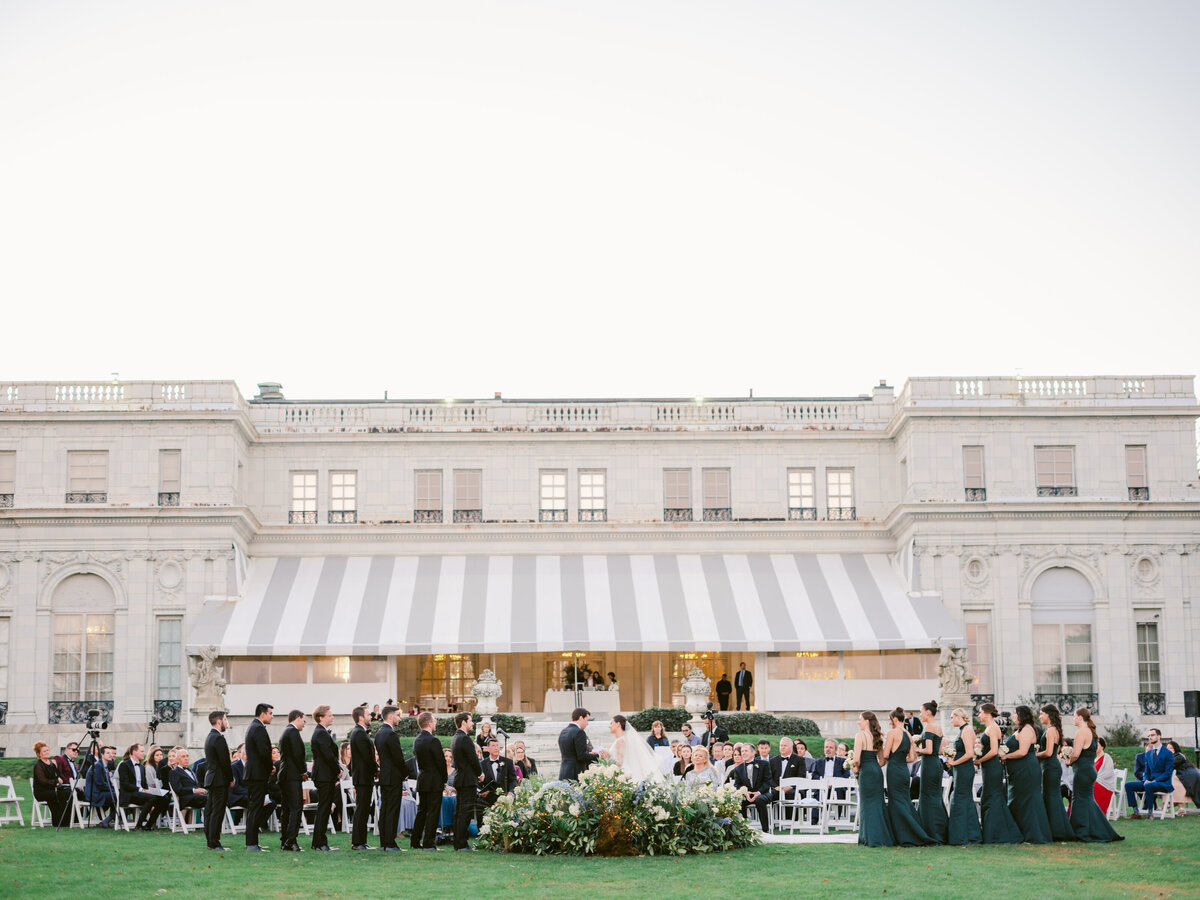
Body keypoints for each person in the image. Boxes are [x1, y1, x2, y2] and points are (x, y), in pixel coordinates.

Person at [1066, 708, 1124, 842]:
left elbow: (1076, 754)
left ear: (1080, 717)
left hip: (1083, 771)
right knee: (1087, 800)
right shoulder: (1091, 732)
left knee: (1079, 800)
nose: (1073, 719)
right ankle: (1097, 829)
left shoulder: (1081, 732)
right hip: (1089, 770)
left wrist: (1069, 761)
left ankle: (1081, 831)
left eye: (1074, 716)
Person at [880, 707, 933, 846]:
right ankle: (911, 830)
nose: (889, 722)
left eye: (890, 720)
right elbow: (911, 758)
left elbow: (885, 755)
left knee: (895, 801)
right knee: (904, 801)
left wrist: (886, 750)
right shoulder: (908, 734)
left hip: (894, 770)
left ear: (895, 719)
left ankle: (903, 834)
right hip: (903, 771)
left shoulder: (892, 733)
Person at [973, 703, 1022, 844]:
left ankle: (998, 833)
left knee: (993, 796)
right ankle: (992, 831)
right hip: (988, 767)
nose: (979, 715)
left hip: (992, 767)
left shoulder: (993, 727)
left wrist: (980, 760)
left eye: (980, 712)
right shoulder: (989, 727)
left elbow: (994, 751)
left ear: (987, 713)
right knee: (989, 796)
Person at [1002, 705, 1052, 844]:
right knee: (1018, 800)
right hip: (1018, 771)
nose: (1013, 716)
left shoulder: (1028, 729)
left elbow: (1023, 751)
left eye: (1015, 714)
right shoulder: (1021, 729)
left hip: (1026, 769)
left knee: (1028, 800)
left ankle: (1034, 834)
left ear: (1022, 715)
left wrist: (1006, 757)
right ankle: (1019, 832)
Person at [853, 711, 893, 847]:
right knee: (877, 803)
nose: (858, 722)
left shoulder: (860, 736)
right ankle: (881, 836)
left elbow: (857, 759)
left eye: (860, 719)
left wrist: (855, 768)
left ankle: (868, 838)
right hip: (876, 771)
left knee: (867, 804)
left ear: (867, 721)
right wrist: (873, 766)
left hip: (866, 771)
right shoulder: (877, 737)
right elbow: (882, 761)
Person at [1036, 705, 1076, 841]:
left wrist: (1034, 754)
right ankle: (1054, 828)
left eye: (1042, 714)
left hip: (1050, 766)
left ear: (1048, 715)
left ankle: (1058, 831)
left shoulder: (1052, 730)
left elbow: (1048, 752)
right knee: (1050, 796)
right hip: (1050, 765)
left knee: (1052, 797)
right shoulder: (1054, 729)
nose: (1040, 716)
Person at [375, 704, 409, 852]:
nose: (399, 719)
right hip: (393, 776)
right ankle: (390, 843)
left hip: (385, 776)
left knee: (385, 810)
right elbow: (398, 758)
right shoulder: (391, 734)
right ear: (390, 716)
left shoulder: (379, 733)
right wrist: (405, 773)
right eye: (398, 715)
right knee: (392, 811)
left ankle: (384, 842)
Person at [914, 700, 949, 844]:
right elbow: (939, 750)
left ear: (928, 712)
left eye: (921, 711)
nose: (920, 714)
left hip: (929, 764)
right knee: (935, 797)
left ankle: (931, 831)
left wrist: (917, 749)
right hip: (936, 764)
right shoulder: (938, 727)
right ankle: (940, 831)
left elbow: (928, 750)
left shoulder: (928, 728)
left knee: (928, 797)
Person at [945, 708, 981, 845]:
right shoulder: (963, 730)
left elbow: (969, 754)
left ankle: (964, 835)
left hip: (964, 769)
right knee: (963, 799)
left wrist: (954, 762)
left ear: (958, 717)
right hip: (960, 769)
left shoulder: (967, 730)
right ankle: (967, 834)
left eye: (952, 717)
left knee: (961, 798)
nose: (951, 720)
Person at [410, 711, 446, 850]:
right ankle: (428, 842)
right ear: (430, 723)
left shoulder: (417, 740)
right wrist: (444, 779)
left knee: (422, 811)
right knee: (433, 812)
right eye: (434, 720)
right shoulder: (433, 740)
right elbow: (440, 762)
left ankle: (415, 841)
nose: (436, 722)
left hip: (423, 779)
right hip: (434, 780)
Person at [1124, 727, 1175, 819]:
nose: (1150, 737)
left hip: (1163, 783)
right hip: (1150, 782)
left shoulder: (1168, 753)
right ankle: (1136, 813)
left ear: (1159, 736)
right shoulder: (1148, 754)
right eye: (1149, 736)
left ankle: (1150, 814)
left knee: (1148, 786)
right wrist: (1146, 779)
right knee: (1128, 785)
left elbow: (1168, 772)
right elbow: (1146, 771)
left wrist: (1154, 781)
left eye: (1152, 735)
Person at [118, 743, 170, 831]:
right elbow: (125, 784)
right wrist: (142, 790)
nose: (144, 753)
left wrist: (150, 790)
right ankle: (138, 825)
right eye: (141, 751)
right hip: (129, 795)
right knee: (151, 798)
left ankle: (148, 825)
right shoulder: (124, 765)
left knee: (164, 798)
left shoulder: (142, 767)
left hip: (141, 794)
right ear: (134, 752)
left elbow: (145, 784)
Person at [244, 703, 274, 851]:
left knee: (255, 807)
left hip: (255, 773)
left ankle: (253, 842)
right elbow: (264, 753)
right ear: (262, 714)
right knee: (255, 808)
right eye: (270, 713)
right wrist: (270, 768)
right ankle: (251, 843)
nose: (272, 716)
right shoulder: (258, 728)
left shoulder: (254, 727)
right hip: (257, 774)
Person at [309, 704, 339, 852]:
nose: (332, 717)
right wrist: (337, 769)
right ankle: (320, 843)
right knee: (323, 808)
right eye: (329, 715)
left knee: (324, 808)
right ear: (321, 718)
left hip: (325, 774)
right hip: (324, 775)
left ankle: (319, 842)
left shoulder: (322, 732)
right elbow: (328, 755)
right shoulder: (321, 733)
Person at [277, 709, 307, 852]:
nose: (304, 723)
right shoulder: (293, 732)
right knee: (296, 808)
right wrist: (303, 771)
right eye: (304, 720)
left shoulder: (286, 732)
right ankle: (291, 840)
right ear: (297, 718)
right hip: (292, 775)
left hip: (285, 774)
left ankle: (285, 840)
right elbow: (298, 755)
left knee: (287, 809)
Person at [451, 711, 481, 850]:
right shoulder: (465, 739)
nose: (472, 723)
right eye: (470, 720)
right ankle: (461, 843)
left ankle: (458, 842)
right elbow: (473, 759)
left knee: (460, 812)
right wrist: (480, 773)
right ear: (464, 722)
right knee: (465, 812)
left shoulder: (456, 738)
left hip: (461, 779)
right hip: (467, 780)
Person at [349, 705, 378, 850]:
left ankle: (362, 841)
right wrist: (376, 769)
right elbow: (367, 757)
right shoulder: (359, 733)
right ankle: (358, 842)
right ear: (361, 717)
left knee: (364, 809)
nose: (371, 716)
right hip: (363, 777)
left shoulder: (360, 733)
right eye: (368, 714)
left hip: (364, 777)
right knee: (362, 810)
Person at [202, 711, 232, 850]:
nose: (226, 722)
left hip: (212, 778)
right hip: (219, 779)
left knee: (212, 810)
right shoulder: (218, 738)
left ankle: (210, 840)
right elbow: (225, 762)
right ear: (219, 721)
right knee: (217, 811)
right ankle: (214, 842)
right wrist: (231, 778)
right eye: (225, 719)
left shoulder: (209, 737)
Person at [730, 742, 774, 832]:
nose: (743, 753)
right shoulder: (738, 768)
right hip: (747, 794)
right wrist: (745, 793)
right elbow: (737, 784)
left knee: (760, 799)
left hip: (763, 793)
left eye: (746, 751)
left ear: (753, 752)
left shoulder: (764, 764)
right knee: (739, 800)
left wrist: (758, 793)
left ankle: (765, 830)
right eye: (742, 751)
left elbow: (767, 782)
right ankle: (743, 828)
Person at [606, 714, 663, 783]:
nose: (609, 726)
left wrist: (606, 759)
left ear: (618, 724)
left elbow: (620, 763)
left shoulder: (620, 741)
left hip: (624, 775)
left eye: (611, 723)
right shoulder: (623, 740)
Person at [558, 707, 605, 780]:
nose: (587, 723)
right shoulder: (579, 732)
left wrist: (589, 754)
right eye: (587, 720)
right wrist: (599, 755)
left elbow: (573, 753)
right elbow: (582, 756)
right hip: (576, 773)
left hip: (564, 772)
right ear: (581, 718)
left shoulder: (564, 731)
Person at [33, 741, 72, 827]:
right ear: (39, 754)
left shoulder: (52, 763)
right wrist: (56, 781)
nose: (47, 752)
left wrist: (59, 779)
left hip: (53, 790)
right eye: (44, 751)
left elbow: (59, 775)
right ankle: (59, 821)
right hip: (42, 792)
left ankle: (63, 821)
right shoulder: (38, 765)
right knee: (66, 794)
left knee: (69, 793)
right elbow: (43, 781)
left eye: (47, 750)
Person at [84, 745, 117, 827]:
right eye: (108, 753)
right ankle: (108, 820)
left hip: (101, 792)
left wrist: (115, 790)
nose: (111, 755)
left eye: (111, 753)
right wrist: (114, 791)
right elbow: (100, 784)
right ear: (102, 755)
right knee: (120, 796)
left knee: (120, 796)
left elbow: (108, 783)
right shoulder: (97, 766)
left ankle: (108, 821)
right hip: (95, 794)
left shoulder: (105, 766)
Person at [1165, 740, 1200, 807]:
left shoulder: (1179, 756)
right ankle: (1175, 804)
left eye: (1171, 748)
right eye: (1167, 748)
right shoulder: (1171, 756)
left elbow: (1170, 765)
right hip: (1185, 773)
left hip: (1191, 774)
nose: (1169, 750)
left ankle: (1177, 805)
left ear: (1175, 748)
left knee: (1174, 783)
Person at [1093, 736, 1117, 815]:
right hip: (1095, 782)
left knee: (1091, 787)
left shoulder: (1107, 757)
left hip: (1104, 784)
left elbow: (1108, 773)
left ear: (1102, 747)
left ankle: (1097, 813)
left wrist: (1095, 779)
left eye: (1097, 745)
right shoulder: (1094, 758)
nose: (1095, 747)